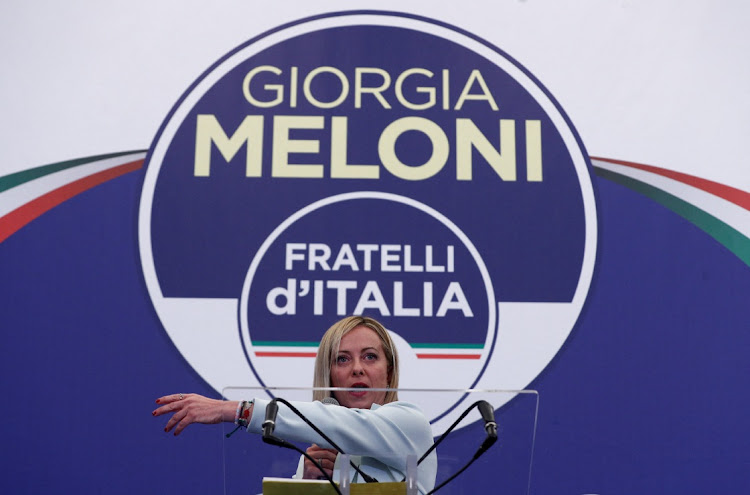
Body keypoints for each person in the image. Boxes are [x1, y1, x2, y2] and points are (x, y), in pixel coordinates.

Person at [153, 315, 437, 494]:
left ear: (389, 371)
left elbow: (340, 423)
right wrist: (307, 487)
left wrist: (236, 410)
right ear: (329, 374)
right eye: (342, 359)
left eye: (370, 357)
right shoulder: (317, 456)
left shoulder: (409, 424)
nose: (357, 369)